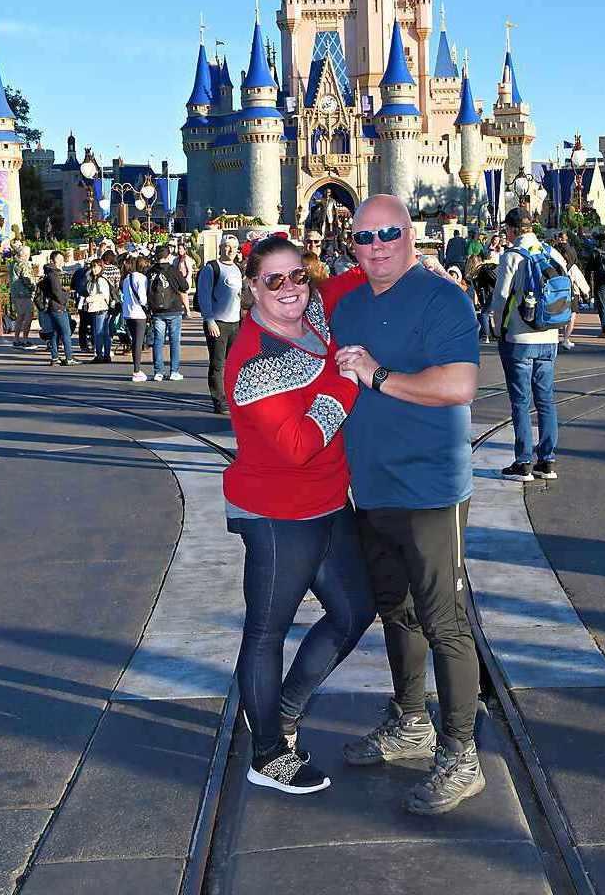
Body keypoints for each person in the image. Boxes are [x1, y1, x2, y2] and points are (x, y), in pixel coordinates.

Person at [330, 195, 485, 816]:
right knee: (396, 611)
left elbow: (459, 385)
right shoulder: (349, 304)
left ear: (411, 235)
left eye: (389, 233)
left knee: (444, 621)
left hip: (429, 489)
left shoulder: (442, 298)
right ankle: (411, 722)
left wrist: (378, 375)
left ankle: (462, 754)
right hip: (372, 487)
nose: (377, 246)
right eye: (364, 237)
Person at [224, 236, 374, 796]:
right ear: (252, 287)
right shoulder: (253, 362)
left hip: (330, 501)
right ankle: (267, 754)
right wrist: (346, 377)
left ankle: (283, 709)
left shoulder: (313, 314)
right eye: (274, 280)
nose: (289, 288)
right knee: (267, 632)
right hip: (277, 513)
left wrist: (391, 254)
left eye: (297, 276)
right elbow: (298, 444)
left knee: (354, 611)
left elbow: (348, 282)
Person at [490, 209, 561, 483]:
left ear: (511, 230)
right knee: (546, 400)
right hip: (549, 336)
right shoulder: (551, 252)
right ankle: (547, 461)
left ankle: (523, 463)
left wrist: (498, 329)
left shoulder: (512, 257)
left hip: (520, 339)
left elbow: (500, 299)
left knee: (521, 402)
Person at [197, 235, 243, 413]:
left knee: (233, 363)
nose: (230, 250)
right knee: (217, 364)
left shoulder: (238, 269)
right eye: (227, 246)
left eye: (234, 247)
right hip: (218, 323)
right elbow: (204, 295)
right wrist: (209, 320)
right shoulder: (211, 268)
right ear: (220, 248)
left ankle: (232, 396)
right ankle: (219, 400)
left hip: (235, 323)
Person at [146, 248, 188, 380]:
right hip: (174, 308)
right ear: (168, 256)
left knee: (158, 341)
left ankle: (158, 371)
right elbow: (185, 287)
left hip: (157, 311)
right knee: (174, 341)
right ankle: (174, 371)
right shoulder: (173, 270)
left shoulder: (150, 271)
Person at [552, 233, 591, 353]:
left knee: (559, 316)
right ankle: (566, 339)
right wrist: (587, 293)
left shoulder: (554, 266)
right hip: (572, 293)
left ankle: (556, 339)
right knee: (572, 317)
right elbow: (580, 281)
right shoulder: (572, 267)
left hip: (558, 293)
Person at [38, 251, 74, 366]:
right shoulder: (53, 274)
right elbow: (57, 292)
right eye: (59, 259)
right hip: (58, 307)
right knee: (66, 332)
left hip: (51, 307)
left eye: (62, 259)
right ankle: (69, 357)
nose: (61, 261)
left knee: (54, 333)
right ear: (52, 261)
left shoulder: (48, 273)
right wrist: (65, 298)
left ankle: (55, 357)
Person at [121, 254, 151, 381]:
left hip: (128, 313)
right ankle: (137, 370)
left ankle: (136, 369)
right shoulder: (142, 278)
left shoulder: (126, 278)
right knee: (138, 342)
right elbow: (143, 299)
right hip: (139, 313)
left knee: (134, 341)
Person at [8, 246, 38, 350]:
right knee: (28, 316)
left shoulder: (13, 264)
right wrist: (34, 287)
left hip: (16, 293)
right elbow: (27, 279)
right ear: (25, 255)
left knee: (20, 317)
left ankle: (16, 340)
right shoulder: (23, 264)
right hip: (24, 294)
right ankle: (25, 340)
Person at [70, 257, 94, 353]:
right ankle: (93, 343)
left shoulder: (78, 272)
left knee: (83, 323)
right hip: (91, 301)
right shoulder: (92, 273)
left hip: (80, 301)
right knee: (93, 323)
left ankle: (83, 344)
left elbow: (72, 286)